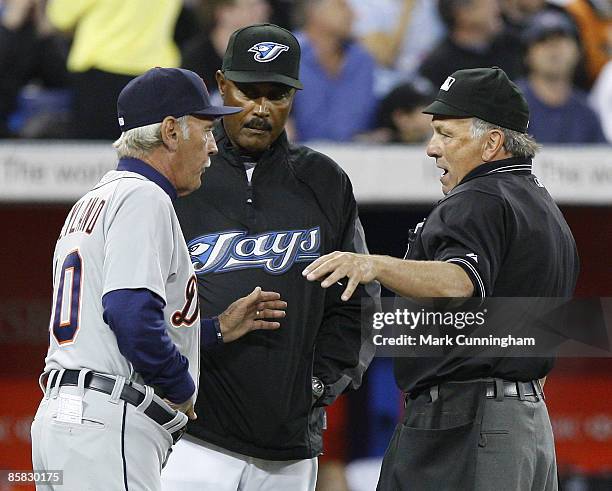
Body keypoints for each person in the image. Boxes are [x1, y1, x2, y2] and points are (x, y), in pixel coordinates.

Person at [304, 67, 579, 490]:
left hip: (467, 421)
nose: (433, 148)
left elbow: (459, 281)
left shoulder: (478, 198)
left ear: (491, 143)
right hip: (524, 419)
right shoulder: (543, 207)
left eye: (448, 135)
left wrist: (371, 264)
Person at [30, 67, 287, 491]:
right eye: (204, 131)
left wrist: (215, 331)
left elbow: (113, 320)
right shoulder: (143, 197)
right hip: (106, 422)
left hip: (68, 419)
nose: (211, 149)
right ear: (170, 131)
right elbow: (129, 312)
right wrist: (181, 387)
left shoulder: (96, 197)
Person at [161, 23, 380, 491]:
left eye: (277, 94)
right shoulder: (179, 173)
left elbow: (356, 301)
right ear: (221, 85)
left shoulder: (323, 180)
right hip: (191, 437)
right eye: (248, 91)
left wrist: (320, 386)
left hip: (288, 448)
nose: (261, 108)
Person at [46, 0, 184, 140]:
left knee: (92, 155)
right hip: (156, 74)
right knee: (149, 155)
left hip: (100, 72)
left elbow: (60, 17)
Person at [291, 0, 378, 142]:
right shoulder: (288, 54)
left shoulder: (362, 59)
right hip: (297, 155)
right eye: (342, 6)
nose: (354, 15)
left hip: (357, 156)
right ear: (315, 11)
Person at [517, 10, 607, 143]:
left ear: (579, 51)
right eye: (543, 41)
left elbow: (603, 158)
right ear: (527, 54)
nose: (554, 49)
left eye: (562, 40)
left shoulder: (587, 113)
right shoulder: (509, 104)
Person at [419, 0, 524, 89]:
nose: (497, 9)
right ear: (462, 14)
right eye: (489, 4)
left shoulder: (513, 45)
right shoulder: (437, 66)